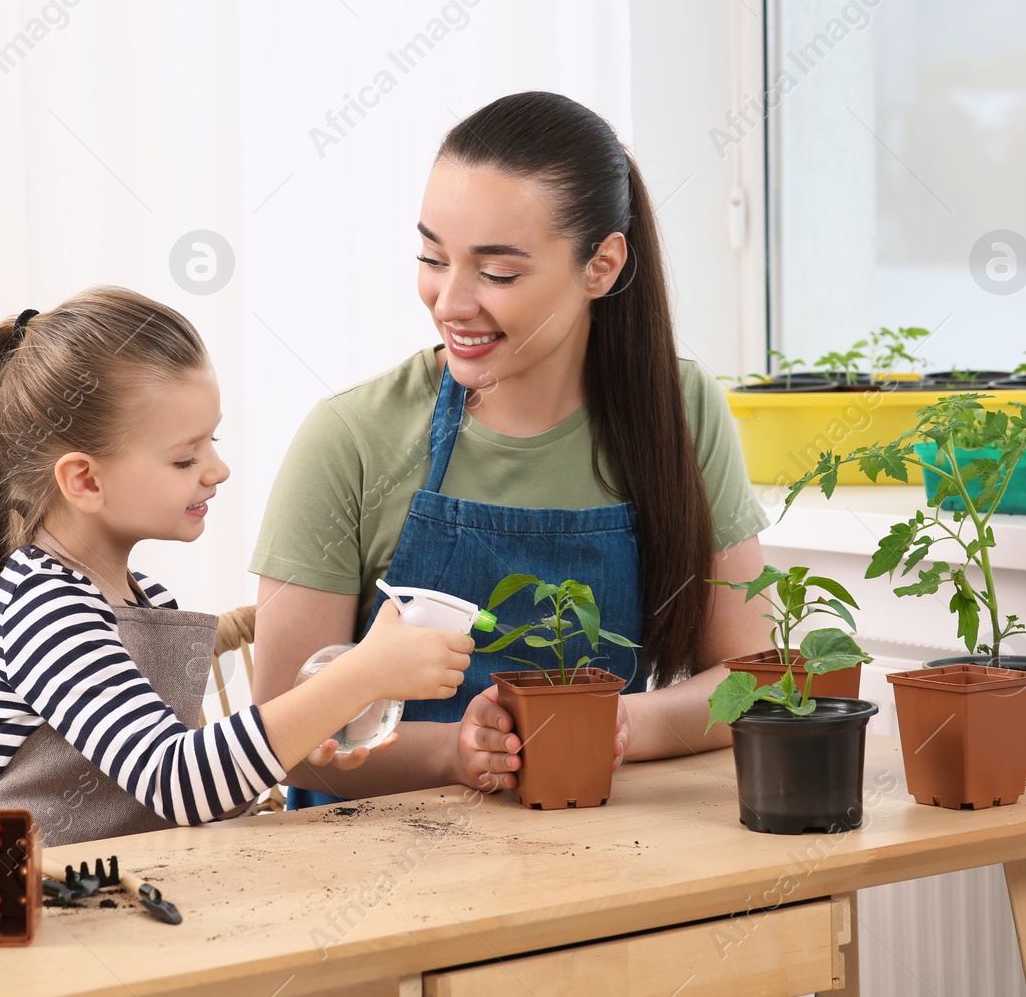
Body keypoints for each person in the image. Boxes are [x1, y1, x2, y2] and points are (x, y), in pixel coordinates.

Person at [249, 92, 772, 807]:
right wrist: (456, 752)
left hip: (604, 847)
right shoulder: (350, 438)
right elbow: (277, 741)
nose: (450, 301)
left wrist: (620, 724)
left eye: (496, 273)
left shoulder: (677, 409)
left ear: (602, 265)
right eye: (433, 257)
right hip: (377, 879)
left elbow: (753, 677)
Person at [0, 287, 473, 843]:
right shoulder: (40, 606)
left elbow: (200, 787)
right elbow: (176, 780)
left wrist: (305, 736)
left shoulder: (149, 601)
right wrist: (362, 675)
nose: (218, 470)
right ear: (85, 480)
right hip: (24, 903)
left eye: (211, 440)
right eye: (185, 457)